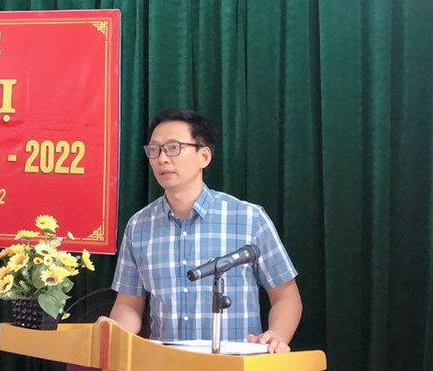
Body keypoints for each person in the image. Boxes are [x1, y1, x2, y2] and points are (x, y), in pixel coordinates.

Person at [106, 108, 302, 353]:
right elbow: (129, 304)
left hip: (234, 363)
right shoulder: (139, 226)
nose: (162, 158)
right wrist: (113, 331)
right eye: (154, 150)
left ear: (204, 156)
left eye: (173, 148)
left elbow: (286, 296)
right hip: (166, 362)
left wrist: (276, 337)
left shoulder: (249, 219)